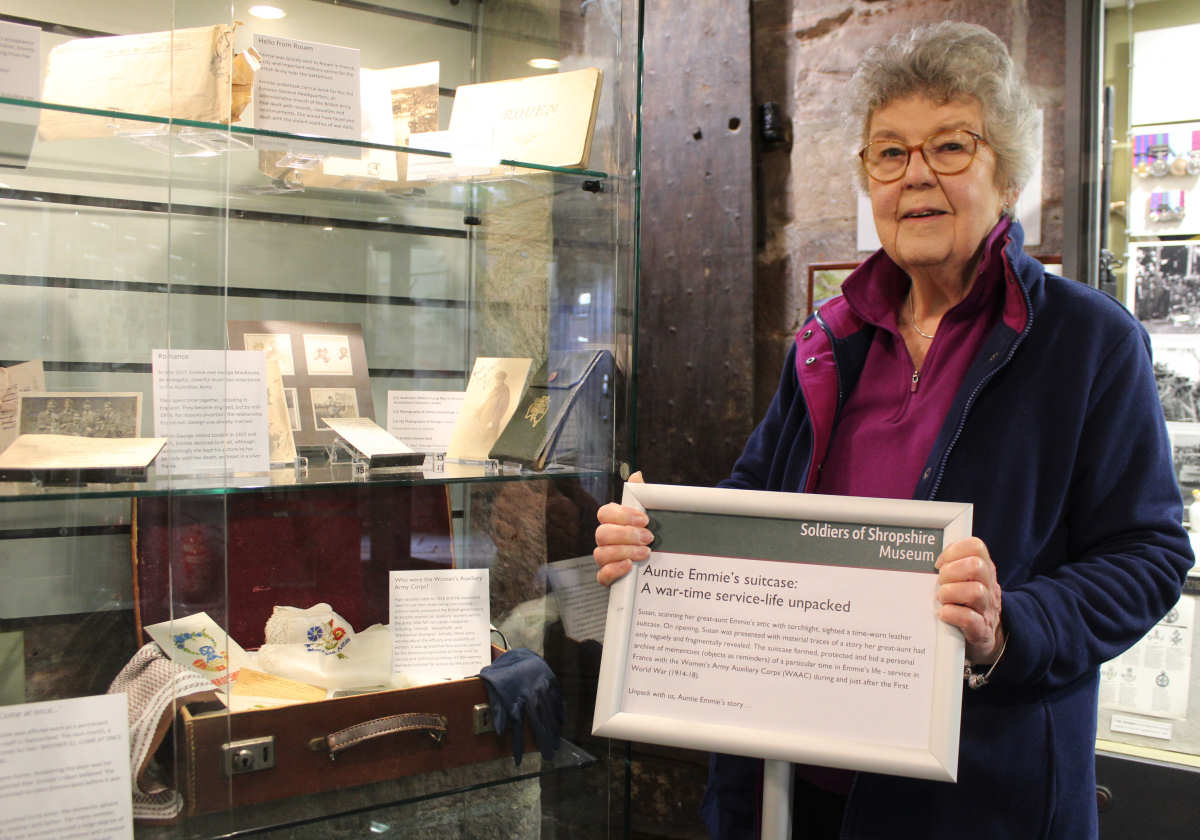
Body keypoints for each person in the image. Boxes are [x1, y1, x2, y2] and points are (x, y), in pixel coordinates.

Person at [594, 21, 1194, 840]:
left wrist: (1007, 626)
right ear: (868, 179)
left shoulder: (1090, 342)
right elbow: (753, 505)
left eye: (951, 147)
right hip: (788, 782)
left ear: (1007, 175)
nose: (916, 177)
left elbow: (1148, 554)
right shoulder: (828, 337)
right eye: (889, 153)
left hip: (977, 798)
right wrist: (658, 542)